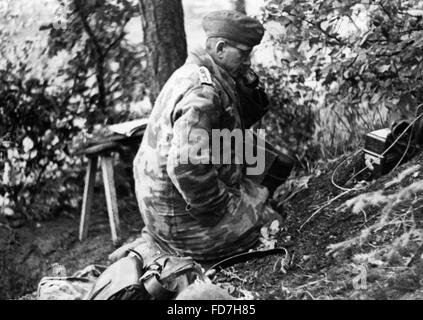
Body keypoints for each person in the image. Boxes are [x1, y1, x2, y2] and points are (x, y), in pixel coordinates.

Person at [118, 10, 293, 264]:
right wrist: (222, 211)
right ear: (221, 48)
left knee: (269, 169)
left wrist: (245, 88)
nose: (248, 63)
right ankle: (196, 246)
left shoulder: (195, 72)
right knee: (273, 221)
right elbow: (185, 165)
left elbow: (228, 130)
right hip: (183, 219)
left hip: (165, 210)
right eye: (244, 54)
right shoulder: (204, 92)